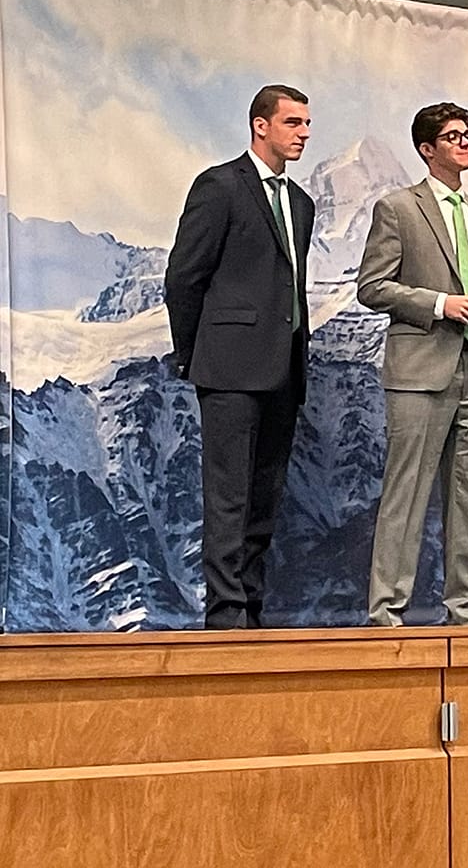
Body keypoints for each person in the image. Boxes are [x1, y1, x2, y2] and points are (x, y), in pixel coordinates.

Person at [165, 85, 316, 629]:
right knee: (227, 498)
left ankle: (250, 609)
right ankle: (225, 615)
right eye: (293, 122)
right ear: (260, 126)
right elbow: (184, 277)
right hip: (228, 367)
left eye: (306, 124)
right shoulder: (219, 185)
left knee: (264, 499)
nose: (303, 133)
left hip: (284, 368)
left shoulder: (301, 203)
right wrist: (192, 355)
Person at [358, 103, 468, 626]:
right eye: (453, 136)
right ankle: (386, 611)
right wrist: (442, 304)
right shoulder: (397, 208)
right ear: (428, 149)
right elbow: (372, 287)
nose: (466, 143)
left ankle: (466, 609)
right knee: (407, 492)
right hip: (419, 371)